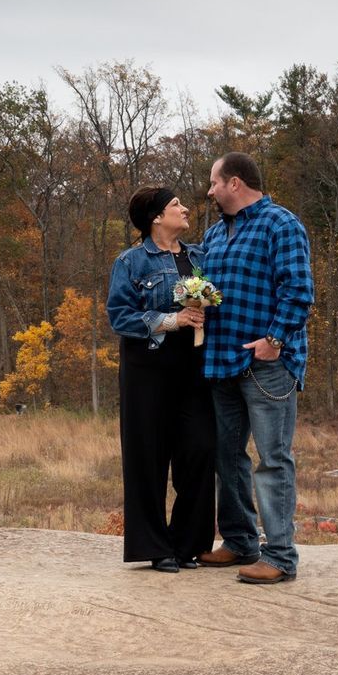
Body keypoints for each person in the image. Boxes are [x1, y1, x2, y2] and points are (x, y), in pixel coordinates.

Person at [195, 152, 313, 585]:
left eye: (213, 183)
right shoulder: (214, 234)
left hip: (268, 366)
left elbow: (299, 290)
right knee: (227, 457)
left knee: (272, 459)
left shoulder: (281, 224)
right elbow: (202, 288)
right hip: (221, 363)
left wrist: (275, 340)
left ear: (235, 183)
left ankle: (280, 556)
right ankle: (240, 540)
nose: (209, 191)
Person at [105, 186, 215, 573]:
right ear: (155, 217)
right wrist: (172, 320)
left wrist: (205, 310)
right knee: (148, 457)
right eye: (175, 205)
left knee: (200, 450)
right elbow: (119, 316)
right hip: (146, 372)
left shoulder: (199, 255)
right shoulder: (131, 261)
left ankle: (189, 544)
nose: (184, 209)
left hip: (195, 371)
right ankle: (156, 547)